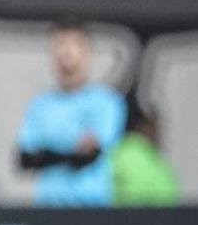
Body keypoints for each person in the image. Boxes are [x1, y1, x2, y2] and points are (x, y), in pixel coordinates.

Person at [16, 19, 126, 206]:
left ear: (88, 53)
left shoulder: (106, 102)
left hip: (91, 209)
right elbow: (25, 159)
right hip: (48, 209)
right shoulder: (40, 105)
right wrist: (69, 151)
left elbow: (87, 156)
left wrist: (48, 153)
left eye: (73, 44)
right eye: (59, 44)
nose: (65, 52)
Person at [111, 100, 180, 207]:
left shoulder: (152, 153)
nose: (157, 131)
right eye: (152, 125)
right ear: (141, 125)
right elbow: (133, 194)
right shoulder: (129, 152)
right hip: (139, 217)